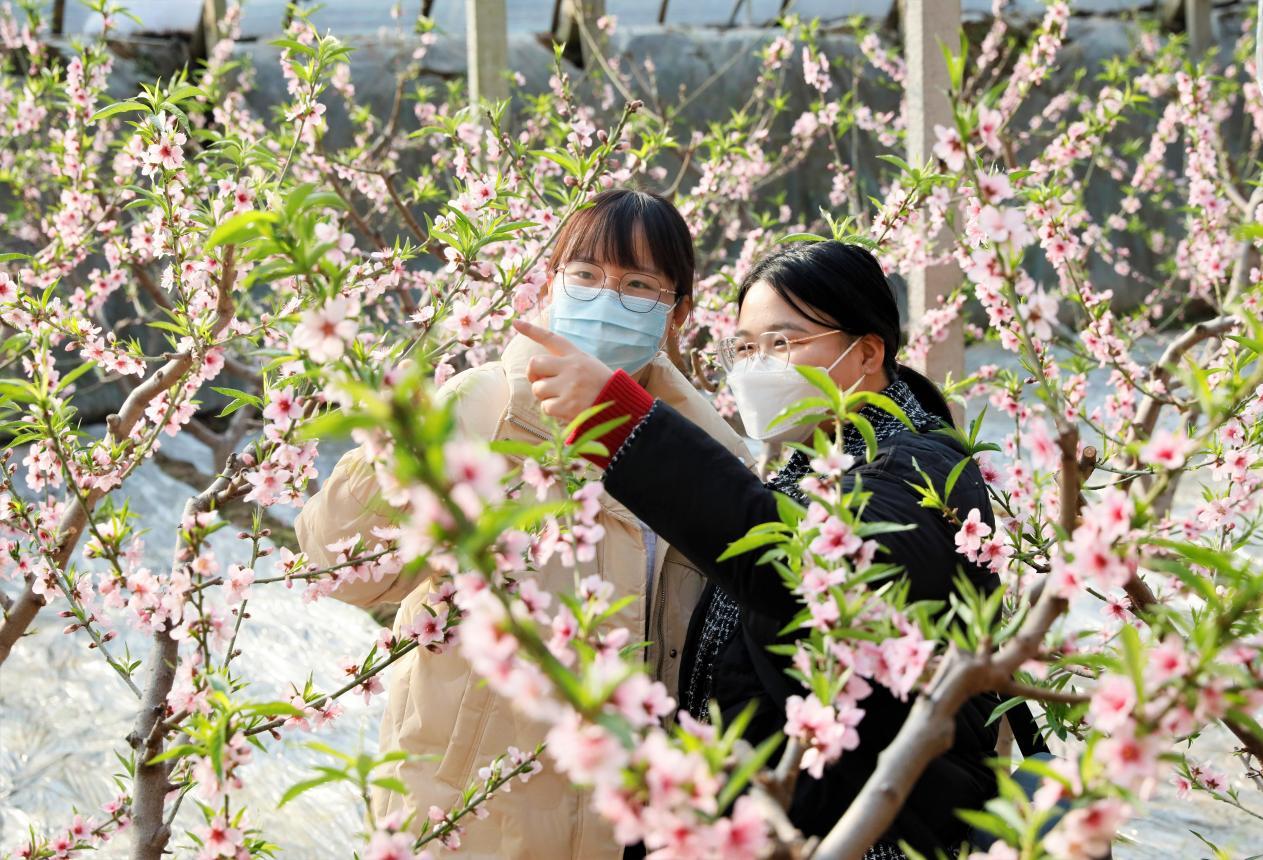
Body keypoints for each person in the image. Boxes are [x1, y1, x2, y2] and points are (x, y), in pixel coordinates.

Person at [295, 189, 753, 859]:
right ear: (551, 282)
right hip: (469, 805)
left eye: (635, 285)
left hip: (622, 814)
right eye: (586, 275)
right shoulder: (483, 404)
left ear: (676, 311)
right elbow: (340, 571)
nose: (605, 297)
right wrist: (395, 438)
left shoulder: (704, 453)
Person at [513, 240, 1002, 858]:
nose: (757, 364)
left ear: (868, 352)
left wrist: (621, 421)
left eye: (783, 343)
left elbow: (805, 568)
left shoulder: (924, 469)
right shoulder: (805, 466)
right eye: (744, 347)